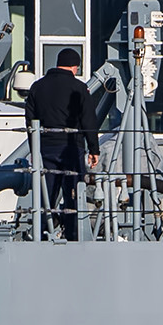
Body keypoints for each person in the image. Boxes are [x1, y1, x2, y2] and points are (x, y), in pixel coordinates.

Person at [22, 47, 97, 239]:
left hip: (45, 148)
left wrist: (34, 150)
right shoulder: (79, 88)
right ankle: (73, 235)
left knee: (45, 196)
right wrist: (93, 149)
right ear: (75, 67)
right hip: (71, 149)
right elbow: (88, 119)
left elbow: (30, 121)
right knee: (73, 196)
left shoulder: (37, 87)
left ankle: (39, 233)